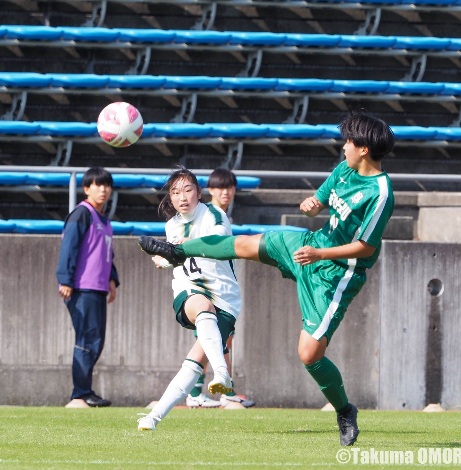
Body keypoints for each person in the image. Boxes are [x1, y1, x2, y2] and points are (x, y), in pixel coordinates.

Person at [138, 112, 395, 445]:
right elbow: (326, 191)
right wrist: (314, 202)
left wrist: (320, 255)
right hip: (310, 245)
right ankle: (180, 250)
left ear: (362, 148)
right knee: (244, 244)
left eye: (348, 141)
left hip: (336, 274)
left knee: (309, 354)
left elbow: (365, 247)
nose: (343, 145)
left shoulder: (381, 192)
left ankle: (344, 410)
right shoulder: (346, 167)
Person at [137, 168, 240, 431]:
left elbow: (218, 243)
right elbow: (178, 257)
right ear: (169, 198)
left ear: (198, 192)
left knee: (194, 362)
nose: (181, 196)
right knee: (202, 306)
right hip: (190, 290)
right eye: (175, 192)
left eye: (187, 189)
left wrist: (180, 248)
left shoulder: (215, 213)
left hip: (225, 297)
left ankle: (153, 417)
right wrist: (164, 259)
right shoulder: (171, 224)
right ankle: (222, 374)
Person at [186, 168, 255, 409]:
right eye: (219, 187)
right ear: (210, 190)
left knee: (220, 339)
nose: (225, 192)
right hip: (209, 285)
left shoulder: (218, 215)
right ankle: (198, 392)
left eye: (230, 187)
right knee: (212, 339)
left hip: (220, 285)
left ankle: (222, 390)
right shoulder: (209, 215)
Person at [57, 167, 119, 408]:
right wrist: (65, 279)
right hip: (82, 288)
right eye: (97, 185)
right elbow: (68, 247)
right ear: (86, 189)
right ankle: (80, 393)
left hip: (98, 288)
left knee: (96, 340)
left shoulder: (103, 219)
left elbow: (107, 253)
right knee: (87, 339)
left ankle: (85, 390)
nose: (102, 189)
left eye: (106, 185)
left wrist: (112, 279)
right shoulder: (81, 214)